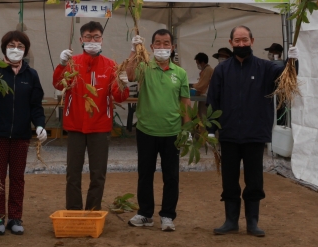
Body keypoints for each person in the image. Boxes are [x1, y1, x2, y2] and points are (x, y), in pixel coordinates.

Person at [206, 25, 298, 237]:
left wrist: (293, 61)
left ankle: (252, 222)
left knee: (254, 179)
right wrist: (211, 130)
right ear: (230, 43)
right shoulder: (222, 70)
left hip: (255, 134)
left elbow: (287, 74)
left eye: (244, 40)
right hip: (228, 134)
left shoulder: (266, 68)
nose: (241, 44)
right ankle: (230, 221)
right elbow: (213, 101)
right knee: (229, 179)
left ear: (252, 41)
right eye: (237, 41)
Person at [53, 21, 129, 211]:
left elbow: (119, 96)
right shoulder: (72, 63)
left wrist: (123, 84)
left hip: (100, 126)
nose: (92, 40)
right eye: (88, 37)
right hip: (76, 125)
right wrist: (62, 64)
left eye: (96, 37)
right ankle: (73, 210)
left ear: (102, 40)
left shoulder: (111, 66)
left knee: (98, 174)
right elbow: (59, 85)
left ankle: (93, 211)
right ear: (81, 39)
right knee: (73, 173)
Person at [0, 30, 46, 236]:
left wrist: (40, 124)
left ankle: (15, 217)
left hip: (21, 136)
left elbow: (36, 105)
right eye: (12, 45)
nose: (16, 49)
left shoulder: (31, 75)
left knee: (17, 177)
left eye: (20, 46)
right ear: (4, 47)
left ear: (25, 51)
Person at [123, 29, 190, 232]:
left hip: (172, 132)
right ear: (151, 47)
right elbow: (129, 74)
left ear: (173, 47)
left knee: (171, 176)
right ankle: (145, 213)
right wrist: (134, 50)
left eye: (166, 43)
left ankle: (168, 216)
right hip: (146, 131)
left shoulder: (180, 73)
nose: (162, 47)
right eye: (158, 43)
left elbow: (185, 101)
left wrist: (187, 129)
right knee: (145, 174)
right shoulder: (145, 67)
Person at [193, 52, 214, 119]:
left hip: (206, 97)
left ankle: (203, 129)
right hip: (204, 96)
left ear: (202, 62)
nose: (198, 65)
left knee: (203, 116)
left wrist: (193, 86)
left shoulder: (208, 70)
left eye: (198, 63)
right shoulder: (206, 69)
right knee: (201, 115)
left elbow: (202, 85)